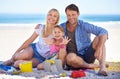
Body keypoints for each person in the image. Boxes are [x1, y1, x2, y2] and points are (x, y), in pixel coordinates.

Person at [60, 4, 108, 76]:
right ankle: (91, 66)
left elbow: (103, 32)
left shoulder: (84, 25)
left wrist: (98, 48)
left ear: (78, 14)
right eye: (68, 15)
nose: (71, 17)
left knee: (99, 38)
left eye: (73, 14)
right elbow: (53, 34)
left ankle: (102, 67)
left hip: (88, 55)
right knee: (70, 58)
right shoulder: (62, 27)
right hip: (73, 58)